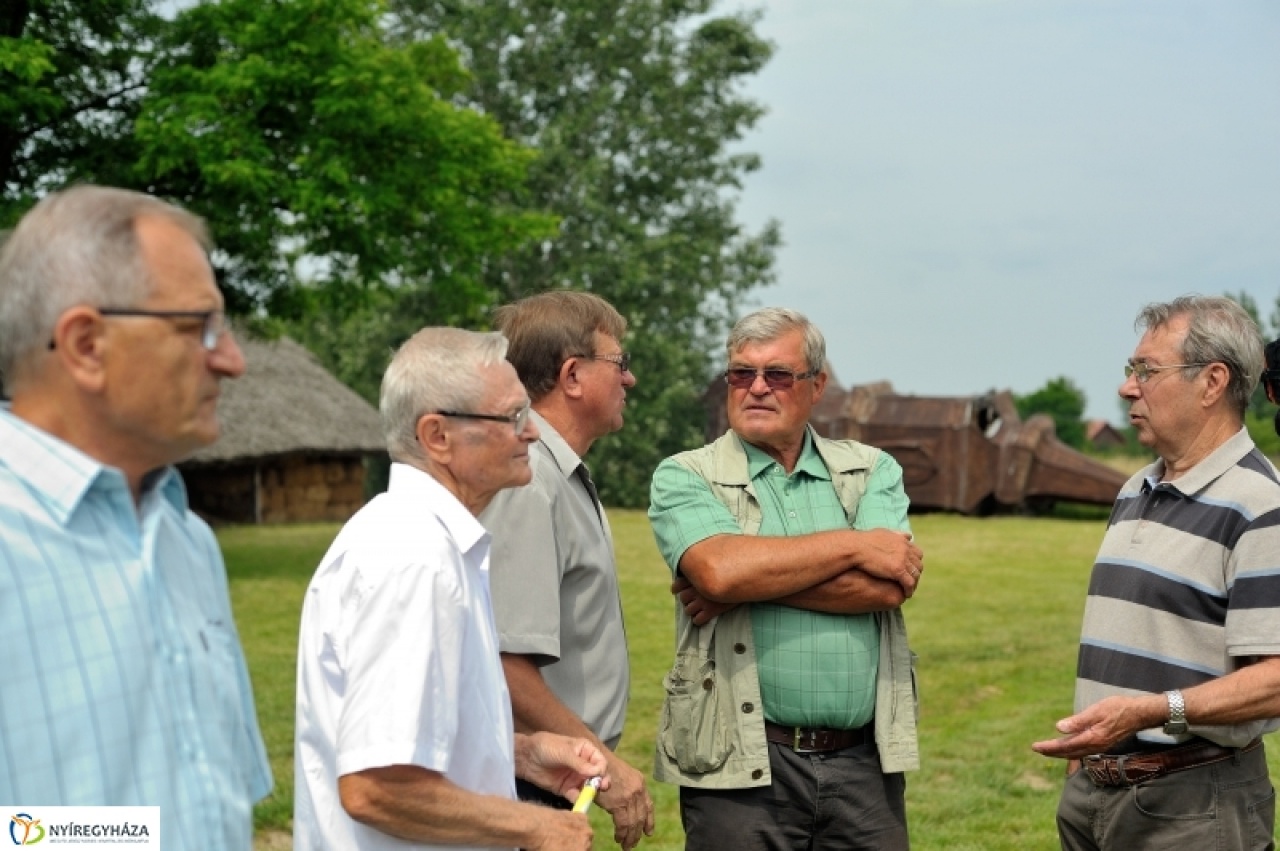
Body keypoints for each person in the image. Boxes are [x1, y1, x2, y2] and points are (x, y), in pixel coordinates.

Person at [0, 186, 272, 849]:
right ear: (87, 345)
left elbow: (225, 798)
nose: (232, 361)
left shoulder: (188, 539)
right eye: (199, 326)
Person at [293, 326, 608, 851]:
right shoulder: (414, 559)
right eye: (512, 416)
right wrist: (533, 824)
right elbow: (376, 788)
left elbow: (407, 741)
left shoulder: (429, 544)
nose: (533, 432)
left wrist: (520, 755)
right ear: (437, 435)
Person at [648, 307, 924, 850]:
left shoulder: (871, 469)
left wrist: (749, 585)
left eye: (777, 374)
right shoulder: (686, 473)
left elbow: (887, 587)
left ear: (816, 385)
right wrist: (855, 544)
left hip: (864, 766)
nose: (756, 388)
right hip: (738, 764)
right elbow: (721, 573)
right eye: (740, 373)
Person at [1032, 295, 1280, 851]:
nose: (1127, 388)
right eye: (1131, 369)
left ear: (1212, 382)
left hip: (1193, 808)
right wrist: (1086, 764)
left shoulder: (1262, 505)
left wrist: (1155, 711)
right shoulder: (1135, 488)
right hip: (1096, 792)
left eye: (1146, 370)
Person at [479, 291, 655, 849]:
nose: (629, 379)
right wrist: (605, 765)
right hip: (527, 782)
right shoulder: (531, 478)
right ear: (572, 375)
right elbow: (506, 663)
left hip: (550, 776)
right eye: (620, 362)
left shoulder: (555, 472)